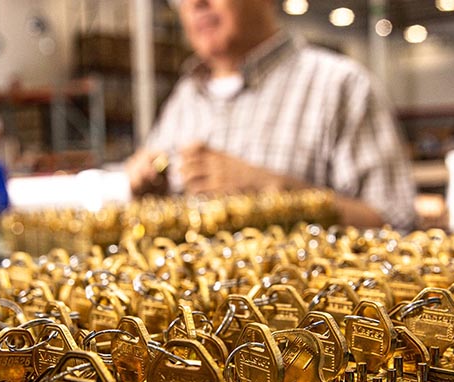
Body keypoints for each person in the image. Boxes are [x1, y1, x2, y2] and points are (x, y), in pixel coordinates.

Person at [126, 0, 416, 231]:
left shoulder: (341, 87)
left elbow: (395, 223)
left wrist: (271, 190)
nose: (195, 3)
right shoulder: (184, 99)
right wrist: (150, 194)